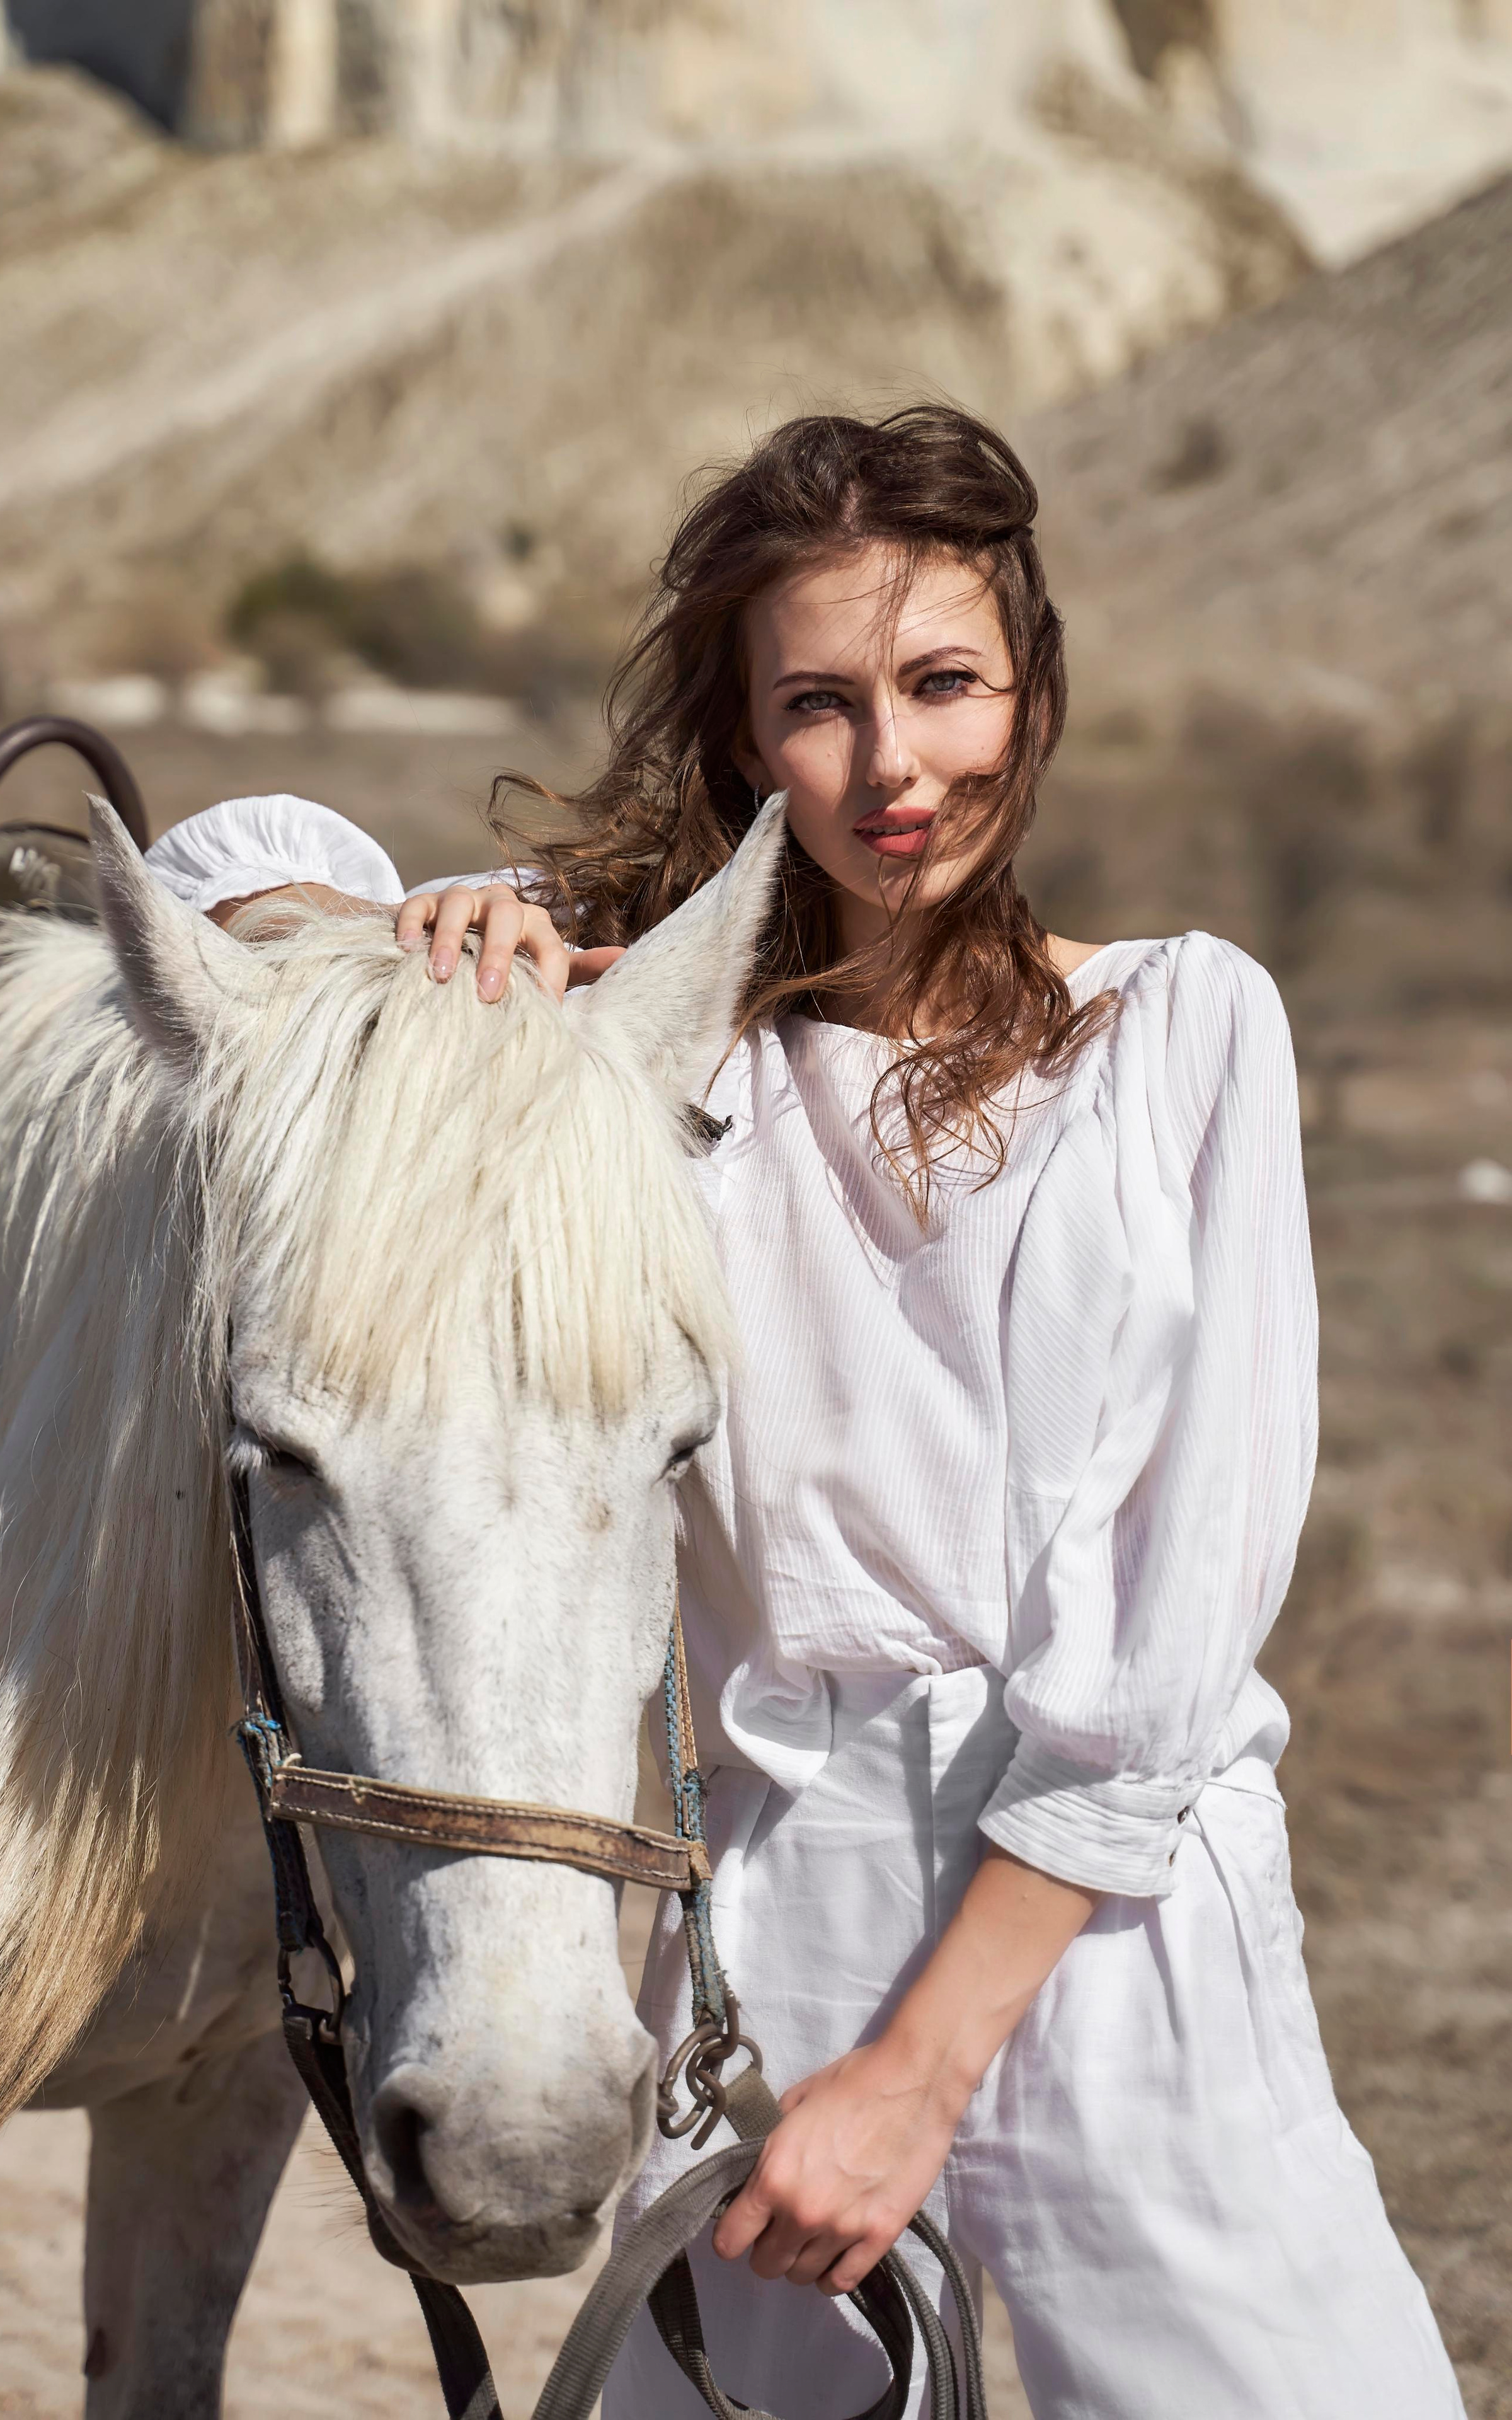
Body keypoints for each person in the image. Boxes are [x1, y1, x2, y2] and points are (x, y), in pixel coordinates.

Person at [146, 406, 1465, 2418]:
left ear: (1031, 696)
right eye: (821, 706)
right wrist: (390, 946)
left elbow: (1168, 1639)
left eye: (944, 687)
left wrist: (920, 2075)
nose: (894, 767)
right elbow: (234, 858)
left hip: (1111, 1916)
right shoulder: (639, 1061)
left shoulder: (1185, 1035)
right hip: (761, 1902)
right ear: (749, 736)